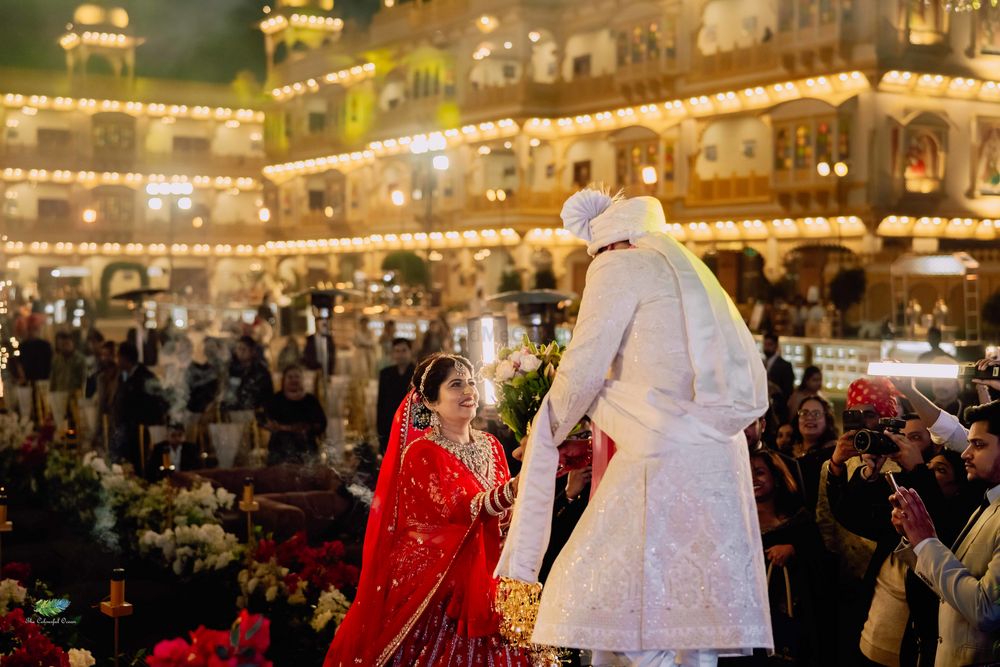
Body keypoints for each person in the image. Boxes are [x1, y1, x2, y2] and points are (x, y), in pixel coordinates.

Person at [496, 190, 771, 666]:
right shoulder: (693, 271)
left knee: (599, 594)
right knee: (687, 628)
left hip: (657, 453)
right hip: (716, 461)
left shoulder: (617, 265)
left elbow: (584, 367)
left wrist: (547, 426)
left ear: (606, 242)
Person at [324, 353, 532, 666]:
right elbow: (460, 509)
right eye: (456, 385)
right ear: (431, 402)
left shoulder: (492, 444)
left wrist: (516, 507)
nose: (469, 391)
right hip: (440, 584)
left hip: (491, 571)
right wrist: (518, 485)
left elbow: (503, 514)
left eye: (471, 382)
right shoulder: (422, 452)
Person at [892, 400, 1000, 667]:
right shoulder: (989, 501)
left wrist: (927, 542)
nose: (965, 454)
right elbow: (949, 582)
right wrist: (915, 540)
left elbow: (986, 611)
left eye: (979, 445)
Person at [721, 448, 827, 666]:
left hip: (790, 624)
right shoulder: (733, 522)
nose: (752, 479)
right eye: (745, 473)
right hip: (744, 625)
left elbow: (822, 563)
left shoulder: (799, 520)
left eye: (759, 472)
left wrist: (794, 549)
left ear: (776, 477)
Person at [110, 341, 167, 470]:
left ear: (125, 358)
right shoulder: (123, 376)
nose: (117, 361)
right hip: (128, 431)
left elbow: (156, 403)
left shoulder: (145, 377)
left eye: (118, 357)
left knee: (141, 464)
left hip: (142, 431)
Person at [264, 365, 327, 465]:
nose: (294, 380)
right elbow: (267, 422)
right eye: (290, 377)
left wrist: (306, 428)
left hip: (306, 451)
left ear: (302, 380)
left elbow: (321, 423)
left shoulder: (310, 400)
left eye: (297, 377)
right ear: (284, 380)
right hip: (281, 452)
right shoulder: (276, 400)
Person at [376, 338, 415, 452]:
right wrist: (380, 431)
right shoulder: (385, 374)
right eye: (397, 351)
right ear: (393, 353)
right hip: (390, 424)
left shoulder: (417, 373)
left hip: (410, 425)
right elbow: (381, 403)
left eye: (404, 350)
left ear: (410, 352)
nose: (400, 354)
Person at [223, 336, 273, 417]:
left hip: (253, 414)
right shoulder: (230, 370)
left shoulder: (261, 372)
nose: (241, 352)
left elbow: (268, 396)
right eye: (238, 349)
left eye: (244, 349)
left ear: (252, 351)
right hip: (231, 413)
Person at [762, 333, 795, 424]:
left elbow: (788, 391)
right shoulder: (761, 363)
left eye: (770, 345)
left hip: (778, 411)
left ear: (776, 346)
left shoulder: (785, 365)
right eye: (765, 344)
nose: (767, 348)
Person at [16, 319, 52, 384]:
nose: (31, 332)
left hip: (42, 377)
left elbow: (49, 362)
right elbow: (20, 362)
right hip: (28, 378)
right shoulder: (23, 345)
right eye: (29, 330)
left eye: (34, 330)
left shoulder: (45, 345)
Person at [353, 316, 377, 380]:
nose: (364, 324)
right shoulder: (357, 332)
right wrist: (366, 343)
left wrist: (366, 343)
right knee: (362, 368)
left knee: (371, 367)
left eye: (366, 322)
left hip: (369, 352)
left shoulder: (371, 332)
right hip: (361, 353)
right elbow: (355, 342)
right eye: (363, 322)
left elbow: (374, 342)